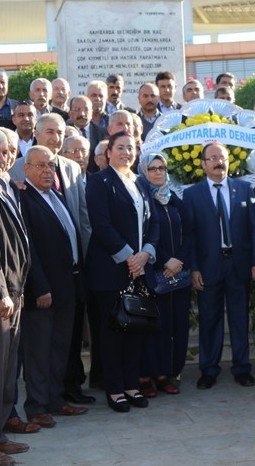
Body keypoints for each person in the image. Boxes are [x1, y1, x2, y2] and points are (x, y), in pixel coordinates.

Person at [86, 132, 159, 411]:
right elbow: (101, 224)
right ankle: (115, 389)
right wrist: (129, 256)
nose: (126, 152)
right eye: (120, 147)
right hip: (111, 271)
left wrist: (146, 253)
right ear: (108, 152)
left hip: (139, 270)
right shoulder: (99, 182)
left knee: (135, 331)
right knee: (113, 332)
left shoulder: (139, 183)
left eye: (131, 148)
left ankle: (132, 385)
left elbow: (154, 224)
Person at [184, 141, 255, 389]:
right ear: (203, 164)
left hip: (239, 264)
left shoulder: (243, 189)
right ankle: (209, 369)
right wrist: (194, 268)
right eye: (213, 158)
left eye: (223, 157)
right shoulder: (191, 194)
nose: (219, 162)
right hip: (208, 267)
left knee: (240, 318)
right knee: (209, 319)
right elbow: (191, 236)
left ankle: (242, 368)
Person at [20, 145, 89, 426]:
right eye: (40, 166)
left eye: (50, 166)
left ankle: (55, 399)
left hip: (68, 285)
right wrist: (39, 287)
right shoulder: (24, 199)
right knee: (39, 351)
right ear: (26, 169)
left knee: (60, 347)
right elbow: (29, 249)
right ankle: (36, 406)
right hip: (43, 290)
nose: (47, 171)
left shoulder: (56, 196)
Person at [0, 128, 33, 464]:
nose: (4, 158)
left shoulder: (8, 186)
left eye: (11, 151)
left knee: (8, 372)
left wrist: (20, 289)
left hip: (15, 293)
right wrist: (3, 292)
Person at [137, 152, 191, 396]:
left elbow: (190, 232)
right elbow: (143, 235)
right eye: (152, 168)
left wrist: (178, 259)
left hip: (178, 275)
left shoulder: (175, 200)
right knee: (154, 327)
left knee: (176, 327)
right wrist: (164, 260)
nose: (158, 172)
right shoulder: (141, 199)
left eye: (162, 168)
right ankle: (148, 375)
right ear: (144, 171)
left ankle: (168, 373)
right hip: (153, 274)